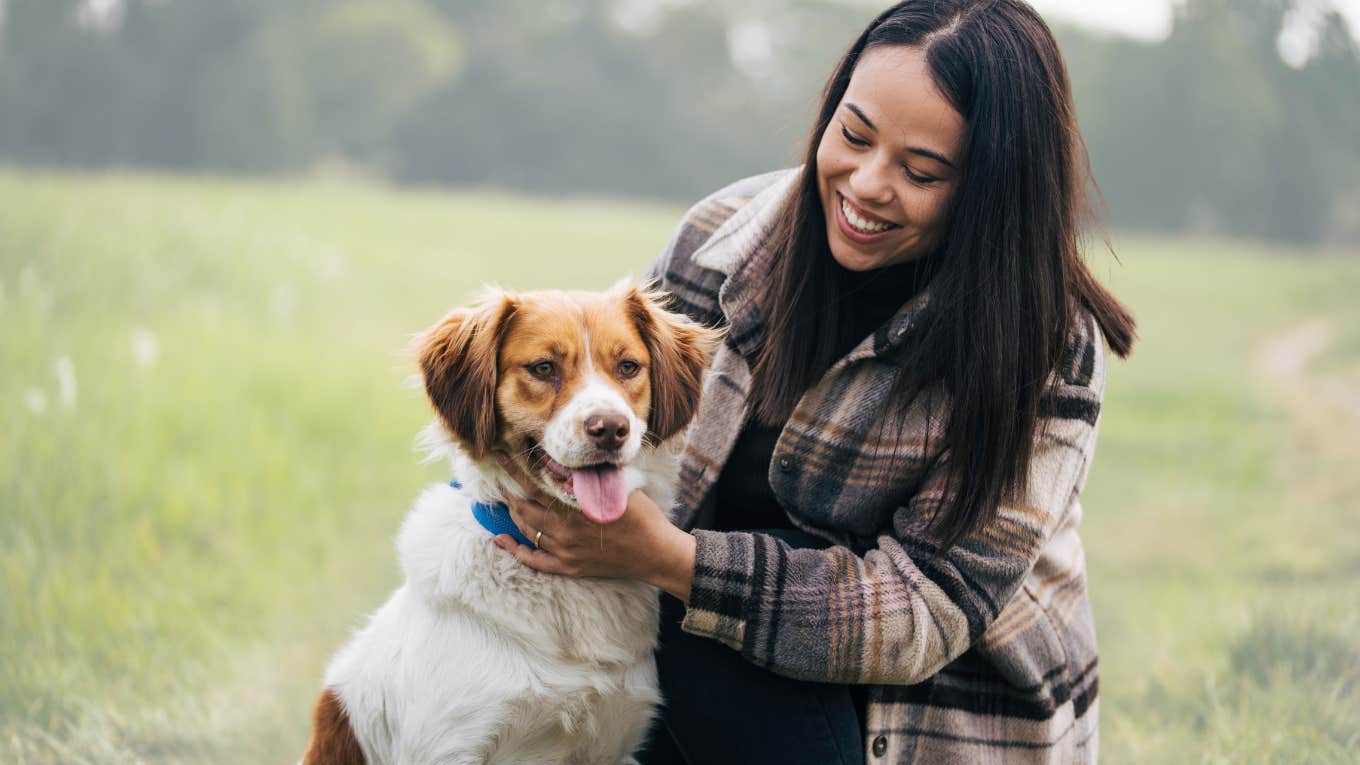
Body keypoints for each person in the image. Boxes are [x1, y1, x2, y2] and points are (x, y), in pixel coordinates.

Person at [489, 0, 1137, 762]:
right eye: (853, 135)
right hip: (698, 671)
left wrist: (672, 560)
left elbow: (924, 612)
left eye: (921, 171)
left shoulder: (1044, 343)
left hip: (931, 715)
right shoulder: (719, 240)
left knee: (705, 602)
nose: (865, 184)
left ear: (992, 189)